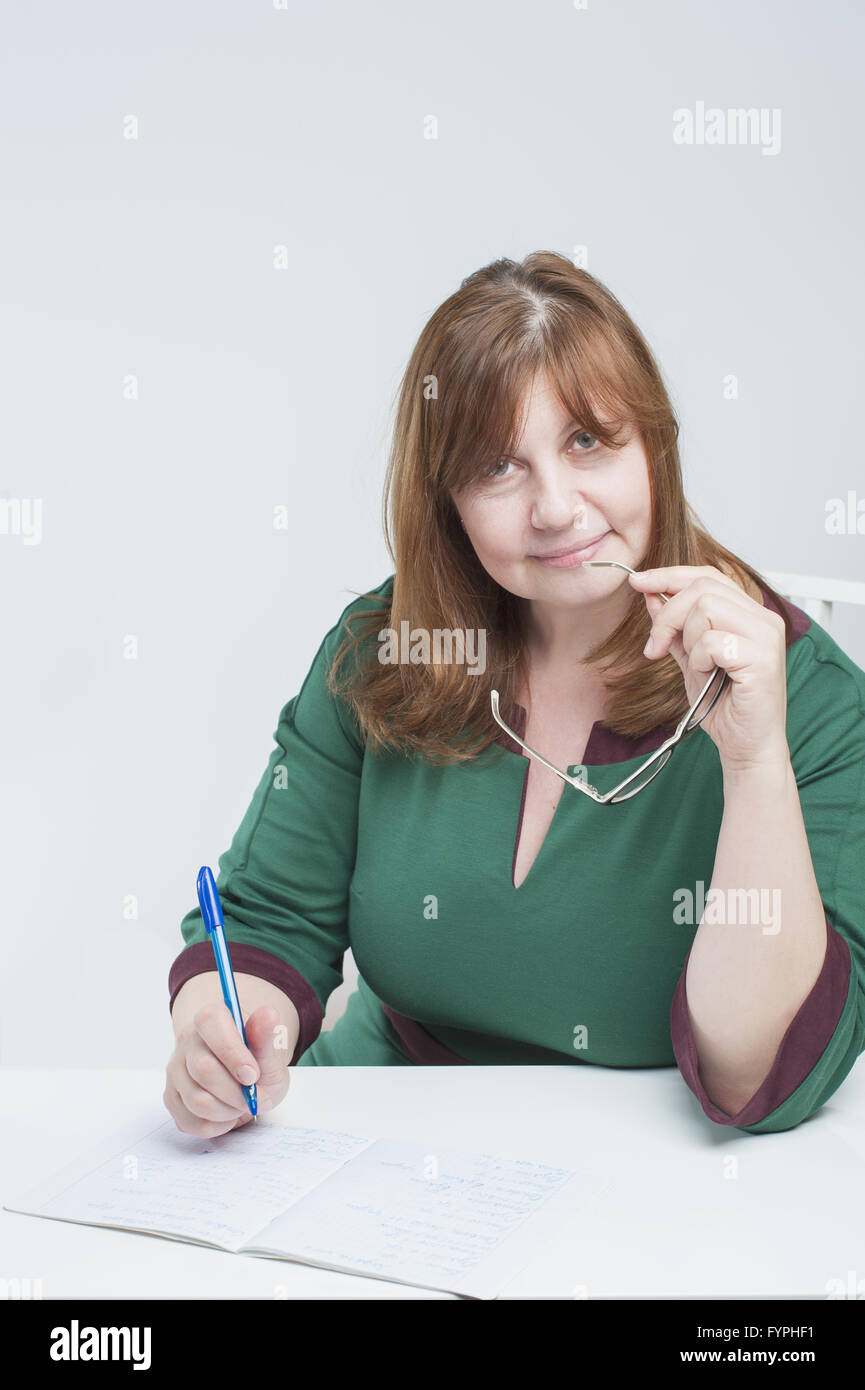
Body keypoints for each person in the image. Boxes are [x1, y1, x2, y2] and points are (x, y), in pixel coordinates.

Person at [163, 251, 865, 1139]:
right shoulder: (385, 649)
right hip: (377, 1153)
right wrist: (218, 1037)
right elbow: (267, 921)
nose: (556, 508)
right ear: (446, 500)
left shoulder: (809, 696)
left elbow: (754, 1072)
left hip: (653, 1184)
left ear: (653, 445)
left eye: (588, 441)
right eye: (498, 466)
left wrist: (753, 759)